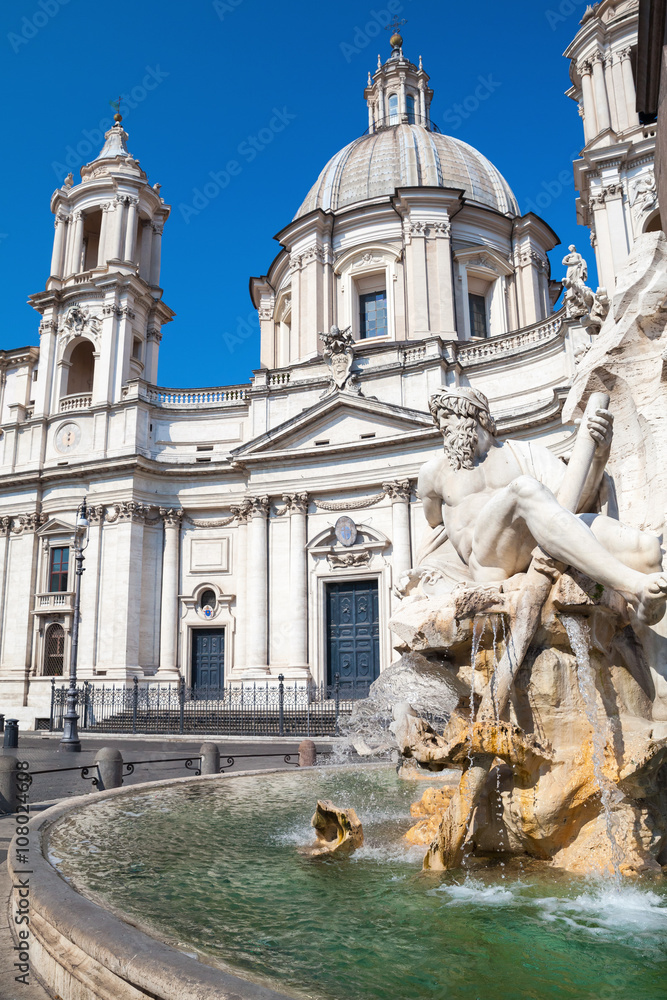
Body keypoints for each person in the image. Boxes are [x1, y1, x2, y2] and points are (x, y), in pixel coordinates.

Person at [416, 386, 667, 625]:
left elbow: (569, 503)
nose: (442, 426)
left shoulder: (523, 453)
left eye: (447, 416)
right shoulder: (434, 472)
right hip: (489, 563)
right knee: (524, 488)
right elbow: (434, 526)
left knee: (645, 548)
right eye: (439, 420)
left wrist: (600, 455)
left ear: (476, 415)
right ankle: (632, 587)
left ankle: (653, 637)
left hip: (538, 543)